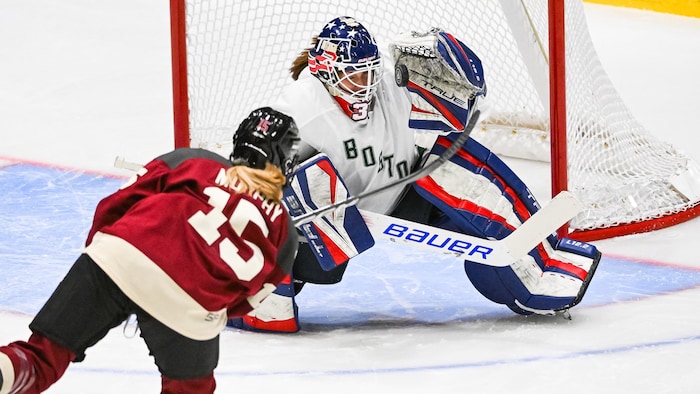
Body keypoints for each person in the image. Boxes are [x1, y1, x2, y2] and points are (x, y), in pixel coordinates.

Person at [229, 17, 600, 333]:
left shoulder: (389, 83)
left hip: (399, 198)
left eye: (370, 73)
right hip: (327, 229)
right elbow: (248, 186)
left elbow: (459, 106)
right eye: (355, 78)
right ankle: (254, 296)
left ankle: (540, 268)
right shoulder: (298, 109)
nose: (367, 86)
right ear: (326, 74)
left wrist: (446, 58)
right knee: (301, 192)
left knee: (456, 162)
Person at [0, 107, 301, 393]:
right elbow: (247, 301)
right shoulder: (285, 232)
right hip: (191, 301)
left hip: (116, 256)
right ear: (287, 162)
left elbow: (112, 207)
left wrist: (103, 261)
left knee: (39, 360)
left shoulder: (193, 159)